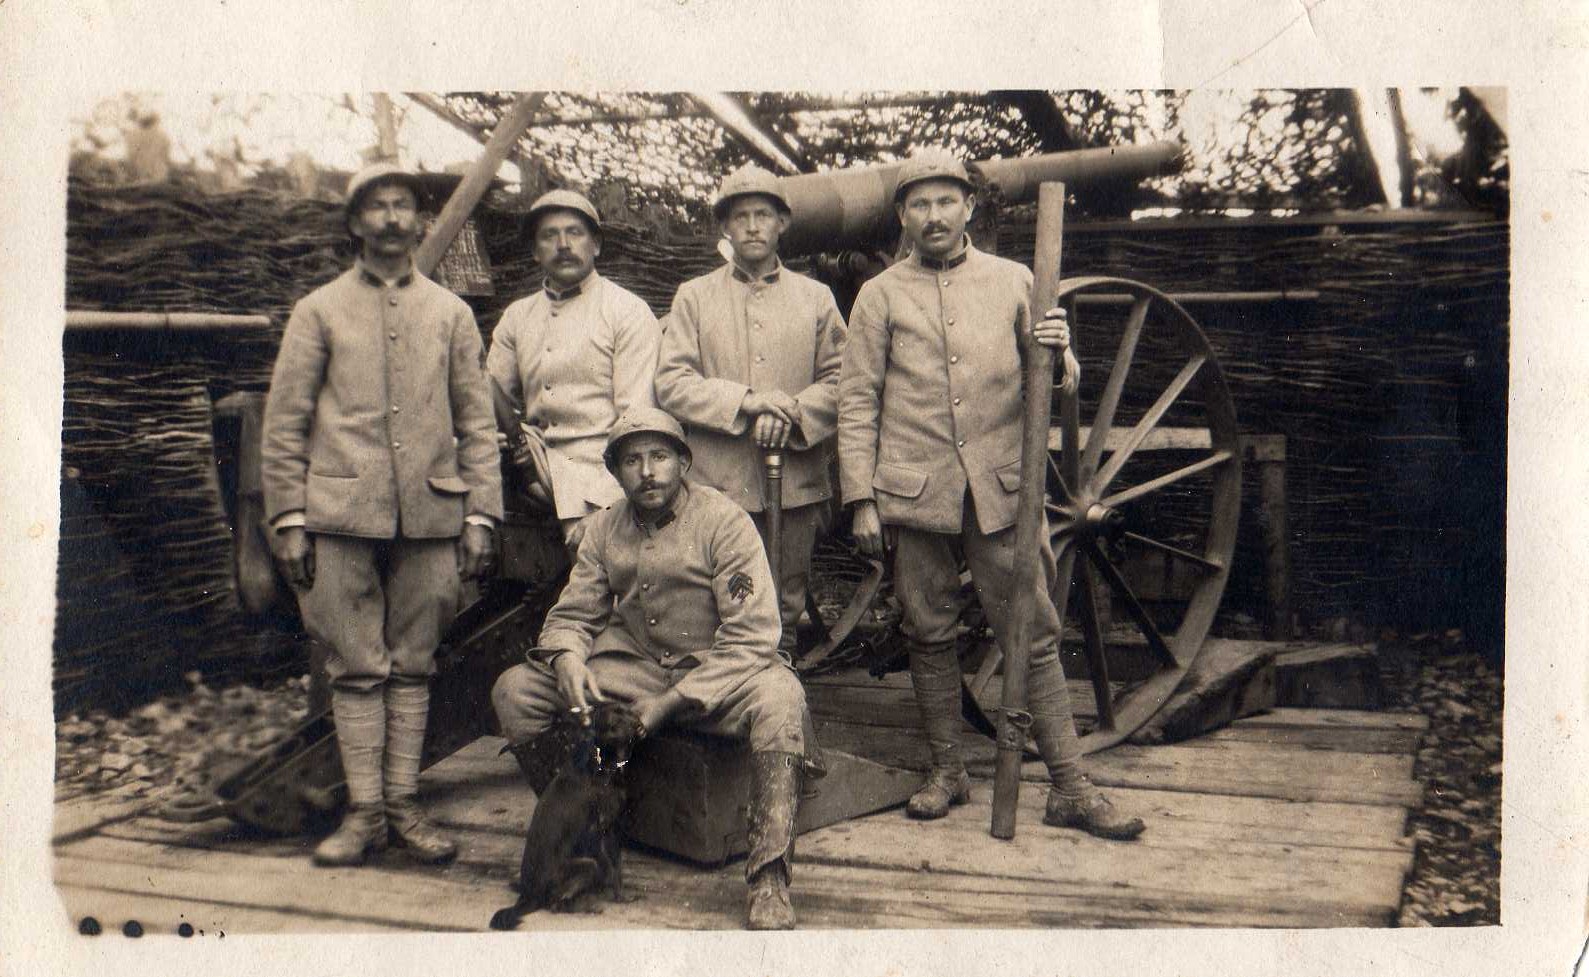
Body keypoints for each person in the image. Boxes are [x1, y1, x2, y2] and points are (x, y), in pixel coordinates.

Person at [837, 150, 1144, 840]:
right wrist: (860, 495)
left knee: (1030, 631)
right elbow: (856, 399)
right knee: (926, 627)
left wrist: (1059, 351)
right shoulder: (880, 294)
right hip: (914, 492)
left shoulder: (1013, 280)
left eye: (945, 201)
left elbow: (1057, 383)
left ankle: (1070, 785)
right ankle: (948, 769)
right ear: (902, 217)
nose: (933, 215)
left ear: (969, 207)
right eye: (918, 204)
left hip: (1003, 489)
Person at [261, 162, 503, 866]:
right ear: (355, 222)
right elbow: (285, 425)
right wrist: (288, 518)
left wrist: (481, 513)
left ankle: (405, 806)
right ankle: (364, 812)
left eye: (404, 206)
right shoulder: (319, 310)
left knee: (415, 664)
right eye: (378, 206)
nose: (394, 218)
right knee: (355, 666)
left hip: (432, 515)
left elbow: (476, 421)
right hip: (338, 515)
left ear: (420, 221)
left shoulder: (450, 313)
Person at [491, 407, 812, 929]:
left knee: (781, 698)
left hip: (717, 673)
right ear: (615, 473)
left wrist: (666, 705)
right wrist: (568, 657)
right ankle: (582, 844)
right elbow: (574, 614)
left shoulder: (724, 522)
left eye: (660, 456)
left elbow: (752, 636)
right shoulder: (603, 529)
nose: (647, 471)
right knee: (516, 691)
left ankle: (769, 878)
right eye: (632, 460)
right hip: (634, 671)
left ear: (683, 462)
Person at [656, 163, 847, 655]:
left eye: (764, 214)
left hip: (796, 482)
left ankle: (780, 698)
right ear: (725, 227)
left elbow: (844, 380)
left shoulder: (816, 298)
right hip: (718, 482)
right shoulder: (694, 298)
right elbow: (672, 383)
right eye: (741, 216)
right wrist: (746, 402)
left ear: (783, 223)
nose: (753, 226)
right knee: (718, 595)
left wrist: (789, 412)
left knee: (785, 599)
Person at [486, 189, 661, 551]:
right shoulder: (518, 317)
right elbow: (490, 396)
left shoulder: (625, 310)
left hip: (602, 470)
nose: (563, 244)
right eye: (549, 235)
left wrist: (606, 504)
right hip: (532, 465)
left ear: (595, 245)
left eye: (575, 233)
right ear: (535, 251)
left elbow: (635, 422)